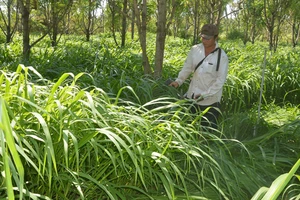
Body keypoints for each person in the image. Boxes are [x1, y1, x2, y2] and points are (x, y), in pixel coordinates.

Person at [169, 24, 229, 131]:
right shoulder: (195, 50)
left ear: (215, 38)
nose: (204, 40)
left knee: (206, 133)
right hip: (191, 97)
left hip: (210, 102)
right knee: (189, 129)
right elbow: (187, 68)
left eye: (208, 38)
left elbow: (220, 81)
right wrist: (178, 81)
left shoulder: (222, 56)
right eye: (202, 37)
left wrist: (205, 94)